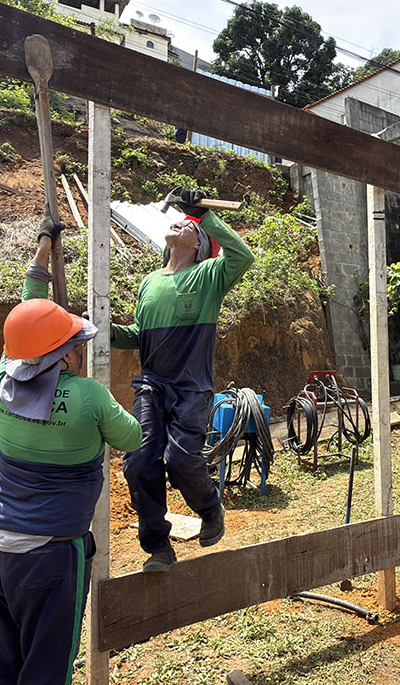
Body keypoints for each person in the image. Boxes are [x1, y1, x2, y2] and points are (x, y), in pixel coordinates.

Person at [0, 217, 143, 685]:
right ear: (64, 356)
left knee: (3, 663)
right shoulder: (90, 398)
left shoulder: (3, 379)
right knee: (47, 672)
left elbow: (28, 317)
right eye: (74, 343)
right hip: (50, 555)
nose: (80, 349)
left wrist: (44, 246)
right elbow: (132, 438)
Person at [112, 189, 254, 572]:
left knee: (180, 461)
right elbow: (138, 333)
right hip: (152, 386)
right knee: (138, 463)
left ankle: (209, 508)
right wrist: (108, 332)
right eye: (180, 220)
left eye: (189, 225)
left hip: (191, 387)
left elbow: (243, 256)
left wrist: (204, 214)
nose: (180, 223)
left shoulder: (208, 276)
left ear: (199, 246)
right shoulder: (149, 283)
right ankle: (158, 547)